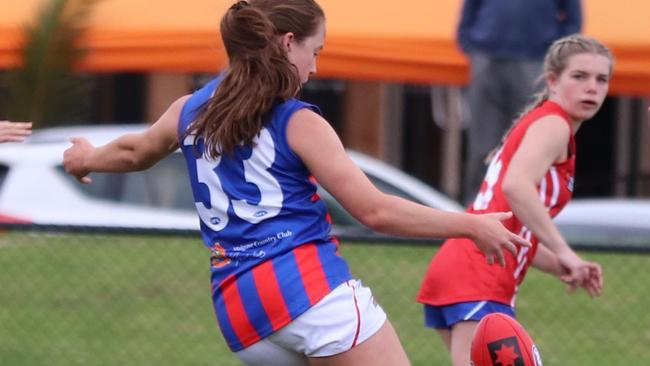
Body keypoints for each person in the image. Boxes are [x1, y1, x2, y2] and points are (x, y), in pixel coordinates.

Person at [62, 1, 530, 365]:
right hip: (308, 294)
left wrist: (86, 157)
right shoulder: (296, 121)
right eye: (316, 51)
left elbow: (135, 152)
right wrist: (471, 225)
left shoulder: (189, 110)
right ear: (288, 43)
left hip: (242, 314)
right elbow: (374, 211)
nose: (316, 68)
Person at [417, 34, 610, 366]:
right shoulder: (554, 124)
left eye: (601, 79)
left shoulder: (546, 123)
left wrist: (559, 263)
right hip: (480, 270)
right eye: (579, 76)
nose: (592, 87)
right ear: (552, 80)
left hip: (470, 265)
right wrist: (564, 249)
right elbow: (516, 187)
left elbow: (509, 222)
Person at [458, 0, 583, 203]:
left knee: (531, 141)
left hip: (533, 60)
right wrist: (471, 44)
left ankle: (529, 208)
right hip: (487, 57)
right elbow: (470, 8)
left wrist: (553, 52)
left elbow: (573, 19)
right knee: (482, 145)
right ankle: (478, 208)